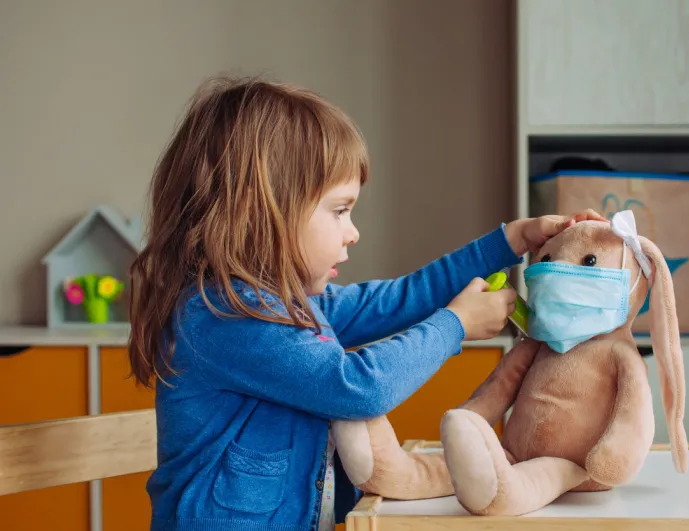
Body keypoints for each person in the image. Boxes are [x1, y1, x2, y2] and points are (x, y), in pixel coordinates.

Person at [127, 75, 604, 531]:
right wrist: (455, 325)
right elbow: (356, 388)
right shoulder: (226, 315)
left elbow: (399, 299)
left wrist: (510, 240)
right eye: (339, 211)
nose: (352, 232)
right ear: (260, 208)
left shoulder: (283, 304)